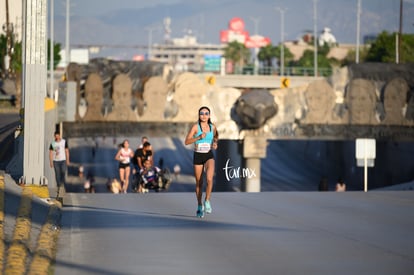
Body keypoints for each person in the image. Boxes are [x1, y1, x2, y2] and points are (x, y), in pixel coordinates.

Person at [184, 106, 219, 218]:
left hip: (208, 155)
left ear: (209, 115)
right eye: (201, 113)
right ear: (199, 115)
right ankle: (199, 205)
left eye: (206, 113)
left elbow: (216, 136)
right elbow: (186, 141)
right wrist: (198, 137)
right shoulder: (195, 127)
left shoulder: (212, 127)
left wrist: (215, 143)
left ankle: (207, 201)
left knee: (209, 179)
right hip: (198, 155)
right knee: (199, 182)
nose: (204, 115)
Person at [49, 131, 70, 198]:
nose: (57, 137)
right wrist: (51, 162)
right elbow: (51, 153)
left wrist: (67, 160)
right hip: (56, 161)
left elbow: (67, 151)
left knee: (63, 172)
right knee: (57, 174)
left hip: (63, 160)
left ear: (59, 136)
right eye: (55, 136)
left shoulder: (64, 142)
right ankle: (59, 187)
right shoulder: (53, 144)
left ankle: (62, 185)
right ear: (54, 136)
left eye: (58, 136)